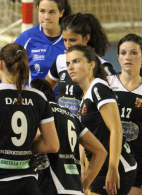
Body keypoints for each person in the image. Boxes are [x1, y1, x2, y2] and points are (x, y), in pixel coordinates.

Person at [0, 44, 60, 195]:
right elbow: (53, 145)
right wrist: (24, 148)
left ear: (1, 64)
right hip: (27, 183)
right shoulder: (39, 97)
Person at [66, 45, 137, 195]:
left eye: (76, 61)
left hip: (116, 166)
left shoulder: (98, 87)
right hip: (99, 167)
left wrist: (113, 168)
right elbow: (88, 139)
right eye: (68, 64)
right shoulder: (85, 95)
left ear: (91, 64)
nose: (70, 67)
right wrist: (85, 172)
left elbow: (116, 129)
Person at [31, 79, 107, 195]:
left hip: (52, 187)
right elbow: (101, 152)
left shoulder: (41, 112)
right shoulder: (71, 116)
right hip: (75, 189)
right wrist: (84, 185)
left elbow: (37, 136)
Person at [0, 0, 72, 98]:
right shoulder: (27, 38)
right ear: (37, 10)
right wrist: (13, 95)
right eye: (42, 11)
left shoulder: (71, 39)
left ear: (61, 13)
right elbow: (2, 67)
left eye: (52, 12)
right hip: (34, 104)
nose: (46, 17)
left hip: (67, 105)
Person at [46, 13, 116, 115]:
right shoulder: (60, 61)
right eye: (65, 40)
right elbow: (45, 89)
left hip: (89, 129)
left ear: (86, 38)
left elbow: (115, 103)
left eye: (73, 40)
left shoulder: (102, 66)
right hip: (64, 128)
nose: (68, 45)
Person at [107, 34, 142, 195]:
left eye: (134, 53)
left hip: (137, 161)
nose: (128, 57)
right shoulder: (105, 84)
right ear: (118, 58)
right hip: (108, 159)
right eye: (123, 53)